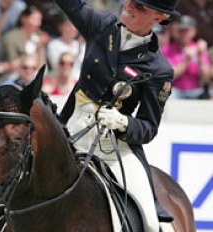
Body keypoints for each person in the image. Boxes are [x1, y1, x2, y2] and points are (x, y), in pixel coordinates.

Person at [54, 0, 181, 231]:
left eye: (140, 7)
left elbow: (148, 127)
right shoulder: (102, 26)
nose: (129, 6)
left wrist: (123, 122)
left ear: (159, 18)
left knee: (152, 224)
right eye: (130, 0)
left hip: (113, 147)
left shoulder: (158, 69)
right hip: (68, 133)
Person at [162, 15, 210, 99]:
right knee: (166, 95)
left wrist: (200, 56)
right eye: (181, 30)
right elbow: (169, 75)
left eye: (187, 30)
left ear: (194, 31)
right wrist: (186, 60)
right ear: (176, 31)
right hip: (175, 90)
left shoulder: (199, 48)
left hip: (196, 91)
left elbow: (205, 78)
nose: (183, 33)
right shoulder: (167, 49)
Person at [47, 14, 84, 80]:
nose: (73, 28)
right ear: (61, 27)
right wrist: (78, 51)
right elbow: (57, 65)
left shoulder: (82, 45)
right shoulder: (53, 45)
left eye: (75, 25)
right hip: (60, 81)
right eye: (69, 25)